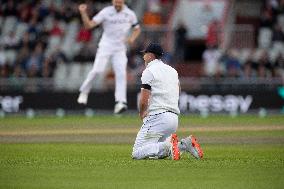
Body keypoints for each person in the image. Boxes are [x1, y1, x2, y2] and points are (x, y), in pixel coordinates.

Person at [132, 43, 203, 160]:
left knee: (137, 153)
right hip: (173, 119)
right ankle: (185, 144)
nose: (143, 57)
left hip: (157, 118)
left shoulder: (149, 71)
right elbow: (178, 91)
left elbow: (144, 99)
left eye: (145, 54)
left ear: (150, 55)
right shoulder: (172, 70)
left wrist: (142, 113)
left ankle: (170, 144)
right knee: (156, 154)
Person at [77, 0, 141, 114]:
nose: (117, 4)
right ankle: (84, 91)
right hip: (106, 45)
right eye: (115, 2)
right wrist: (83, 12)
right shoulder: (106, 12)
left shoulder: (130, 14)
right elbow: (89, 25)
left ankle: (120, 102)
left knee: (121, 74)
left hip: (120, 48)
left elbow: (137, 28)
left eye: (119, 2)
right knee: (97, 70)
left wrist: (132, 38)